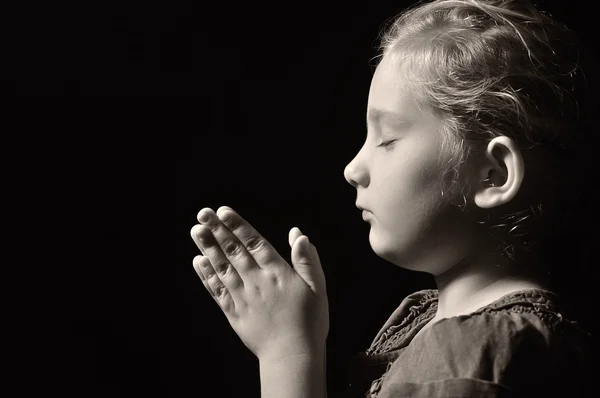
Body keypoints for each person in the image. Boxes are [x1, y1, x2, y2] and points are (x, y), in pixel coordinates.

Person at [190, 0, 596, 396]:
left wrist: (287, 353)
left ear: (493, 175)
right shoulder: (444, 328)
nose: (352, 169)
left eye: (387, 139)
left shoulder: (468, 356)